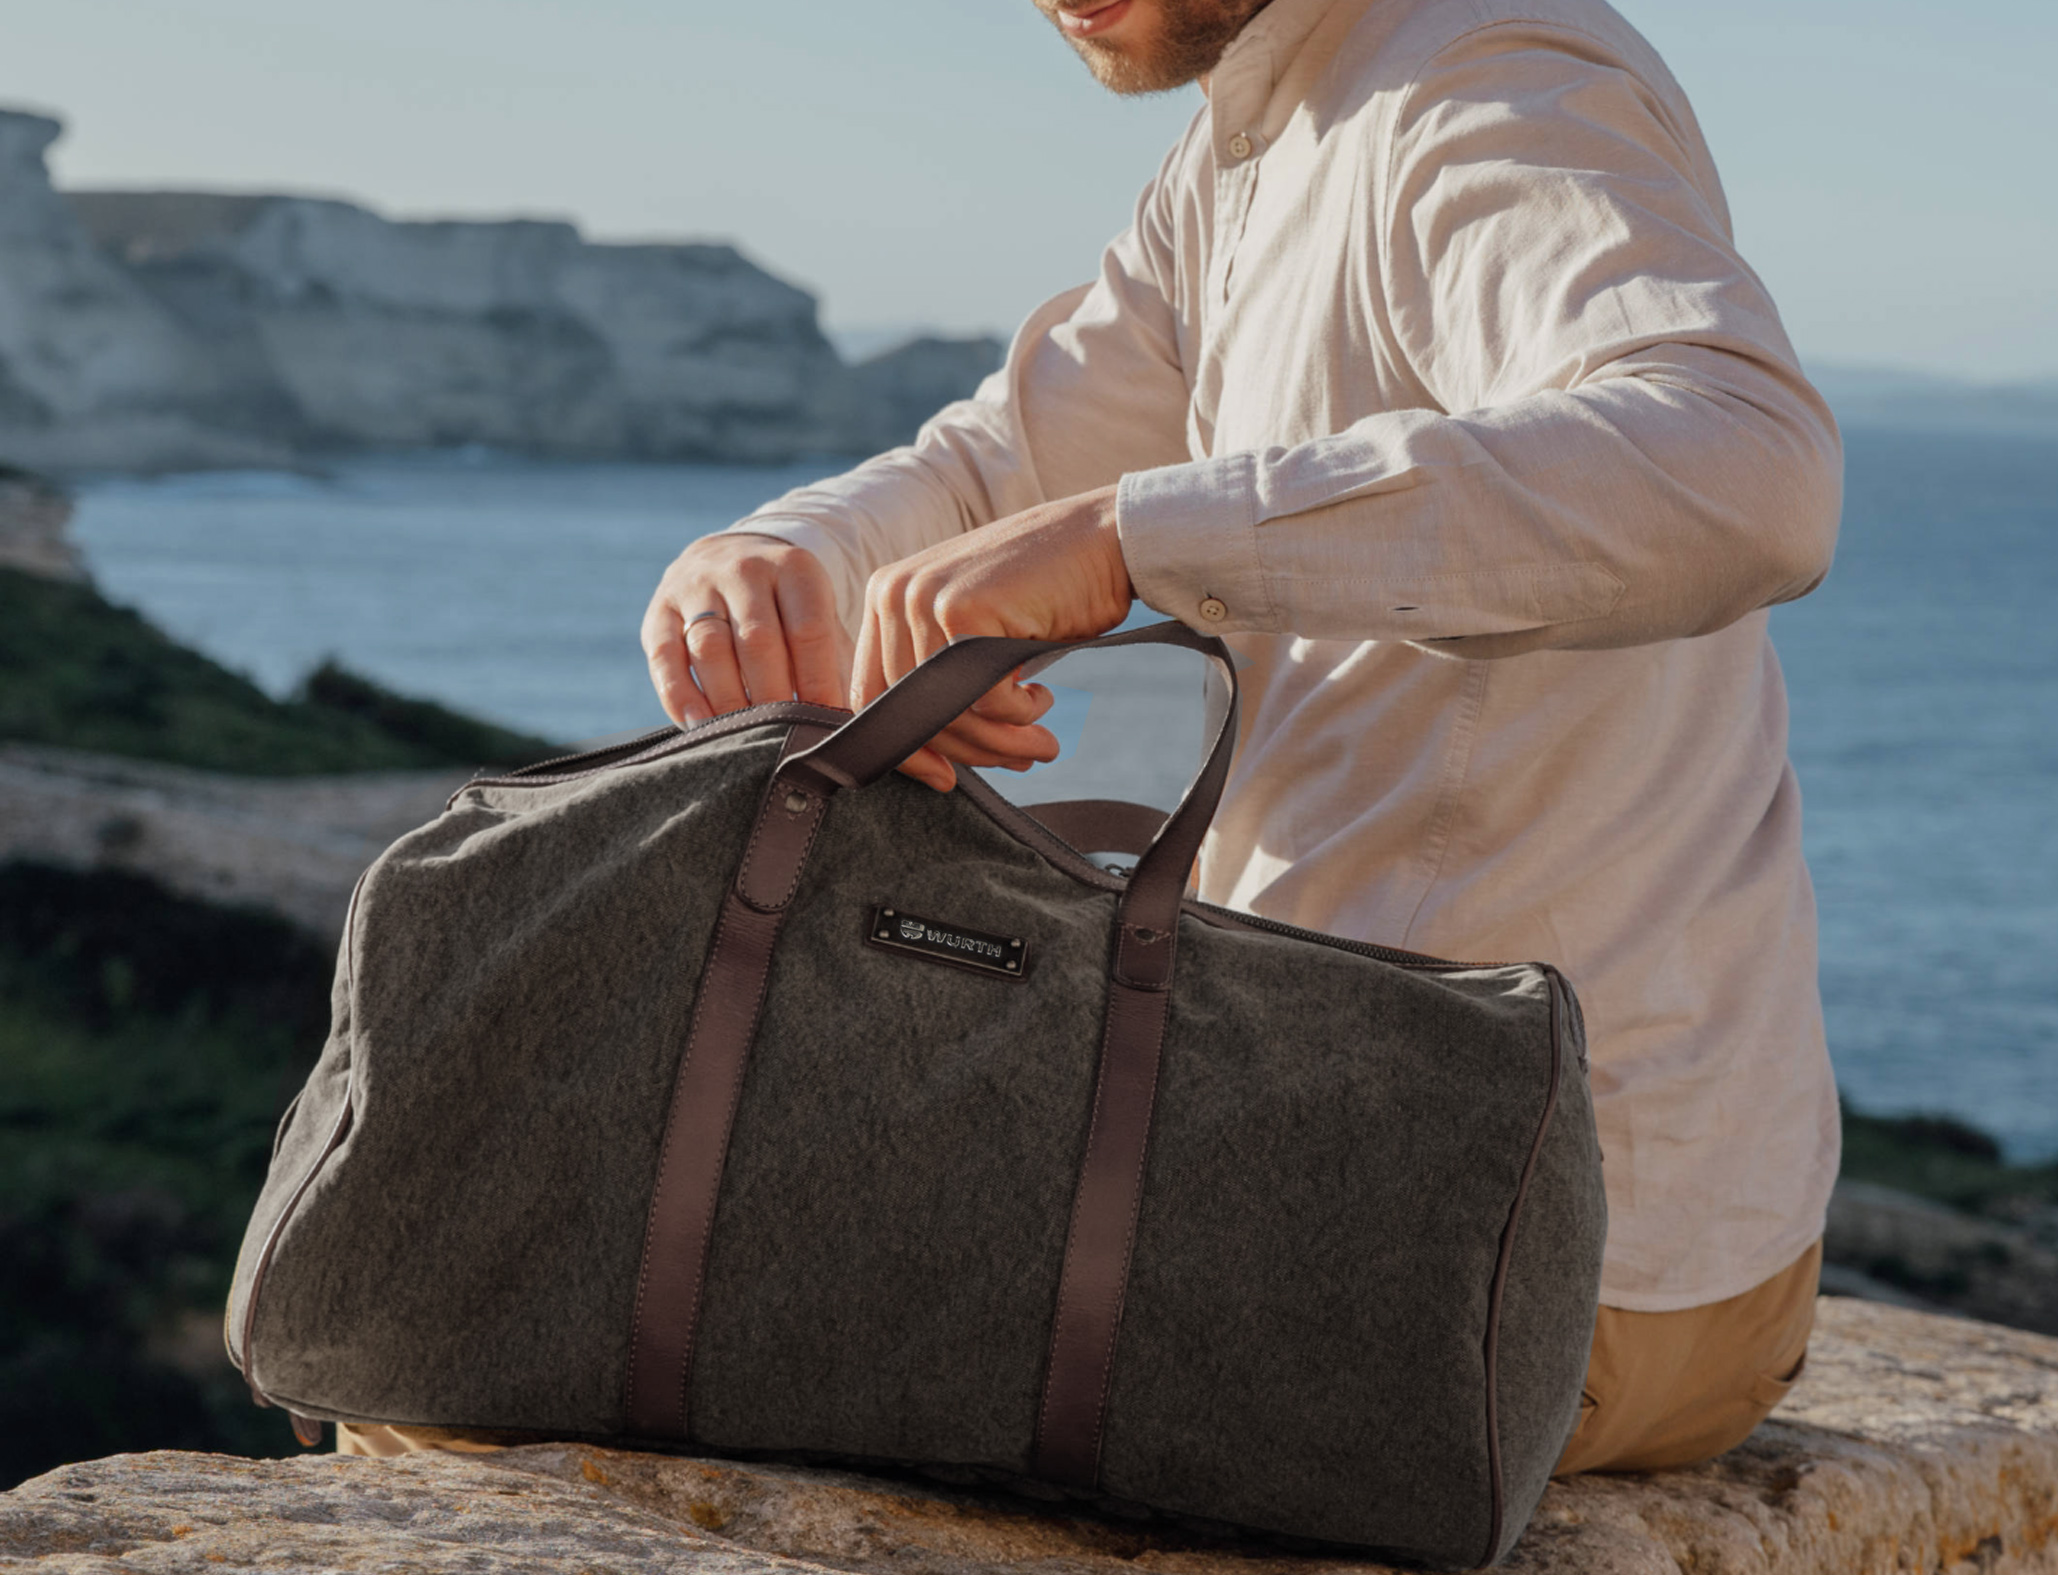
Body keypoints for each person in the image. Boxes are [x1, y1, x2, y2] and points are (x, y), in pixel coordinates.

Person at [633, 0, 1840, 1478]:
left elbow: (1737, 463)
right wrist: (779, 552)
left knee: (596, 1292)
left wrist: (1137, 537)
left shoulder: (1489, 83)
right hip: (1390, 1181)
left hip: (1517, 1270)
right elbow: (1017, 456)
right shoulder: (1259, 130)